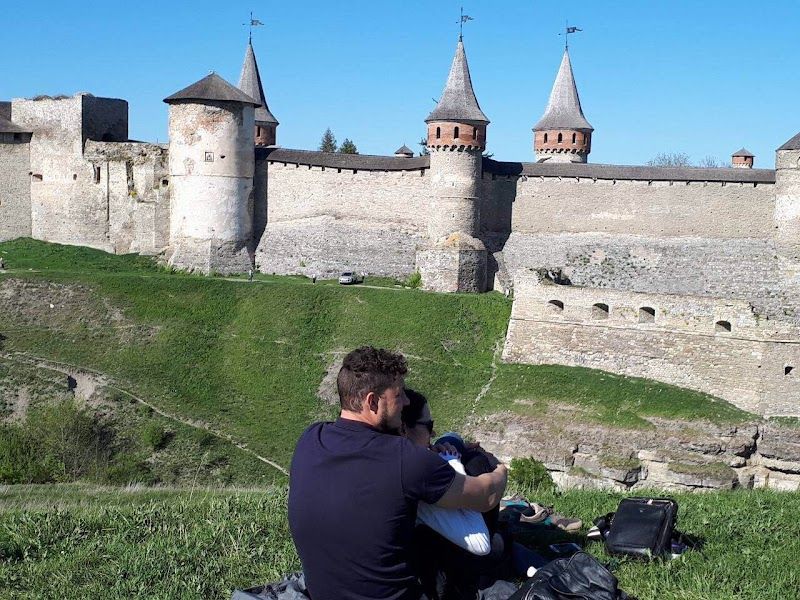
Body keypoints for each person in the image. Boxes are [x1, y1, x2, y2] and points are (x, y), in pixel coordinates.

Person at [288, 346, 508, 600]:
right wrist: (500, 471)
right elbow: (485, 496)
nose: (405, 401)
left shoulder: (310, 438)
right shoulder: (403, 458)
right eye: (399, 394)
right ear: (372, 402)